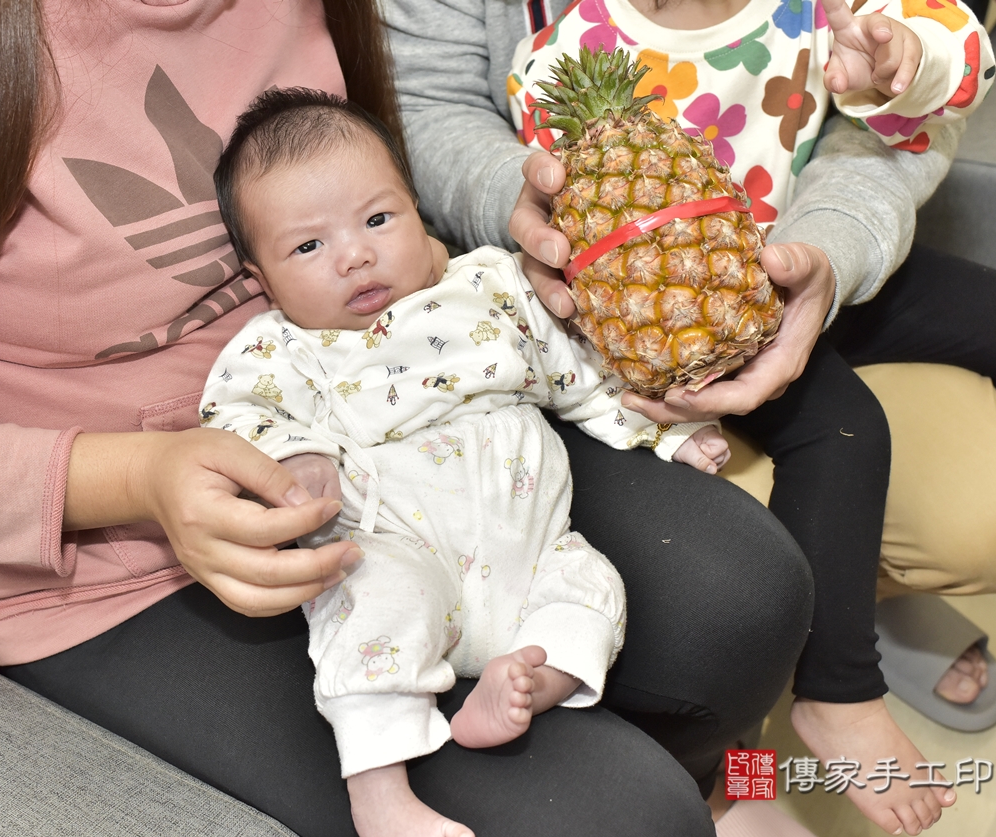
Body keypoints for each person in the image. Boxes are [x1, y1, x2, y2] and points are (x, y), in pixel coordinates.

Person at [0, 2, 813, 836]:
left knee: (751, 592)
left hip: (398, 409)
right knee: (617, 816)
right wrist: (140, 479)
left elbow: (386, 154)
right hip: (118, 567)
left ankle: (729, 787)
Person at [384, 0, 996, 830]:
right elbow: (432, 108)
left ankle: (862, 605)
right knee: (778, 534)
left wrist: (903, 64)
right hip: (629, 316)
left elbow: (942, 57)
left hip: (794, 246)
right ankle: (812, 707)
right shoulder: (568, 47)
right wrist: (525, 204)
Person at [205, 86, 741, 837]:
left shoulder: (487, 285)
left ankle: (525, 679)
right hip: (397, 550)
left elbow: (577, 370)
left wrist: (662, 434)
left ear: (417, 208)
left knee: (591, 586)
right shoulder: (279, 347)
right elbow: (233, 417)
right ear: (260, 278)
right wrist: (296, 452)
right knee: (369, 608)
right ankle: (381, 796)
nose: (354, 254)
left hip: (532, 549)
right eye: (307, 246)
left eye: (377, 219)